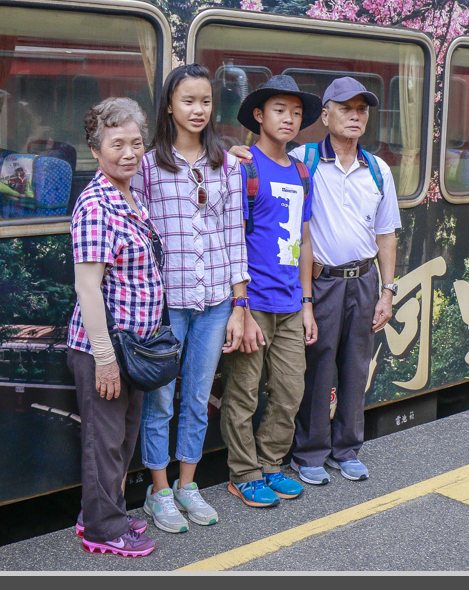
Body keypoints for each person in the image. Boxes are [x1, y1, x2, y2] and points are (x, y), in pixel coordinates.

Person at [229, 76, 401, 485]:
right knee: (317, 369)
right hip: (319, 282)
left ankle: (347, 449)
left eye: (362, 110)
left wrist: (388, 290)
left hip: (363, 279)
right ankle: (308, 454)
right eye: (345, 108)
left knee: (356, 368)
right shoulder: (302, 158)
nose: (355, 116)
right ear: (324, 116)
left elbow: (386, 233)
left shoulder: (378, 170)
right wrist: (231, 152)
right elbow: (258, 157)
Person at [131, 64, 250, 533]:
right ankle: (157, 491)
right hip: (166, 305)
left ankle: (187, 486)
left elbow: (234, 238)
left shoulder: (228, 164)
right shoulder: (147, 165)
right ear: (169, 106)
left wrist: (240, 305)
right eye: (188, 101)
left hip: (216, 300)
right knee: (160, 401)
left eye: (204, 102)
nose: (197, 110)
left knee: (198, 399)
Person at [66, 96, 161, 557]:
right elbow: (88, 288)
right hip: (103, 348)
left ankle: (103, 513)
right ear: (96, 150)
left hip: (134, 347)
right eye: (117, 143)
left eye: (136, 143)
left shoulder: (134, 195)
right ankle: (103, 531)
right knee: (104, 442)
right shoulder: (96, 204)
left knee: (121, 438)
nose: (129, 152)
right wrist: (104, 357)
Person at [220, 74, 319, 509]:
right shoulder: (244, 167)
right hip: (254, 302)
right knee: (243, 392)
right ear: (259, 116)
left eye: (296, 113)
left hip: (291, 303)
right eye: (280, 110)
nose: (290, 119)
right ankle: (243, 474)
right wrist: (238, 306)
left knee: (290, 389)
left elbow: (305, 237)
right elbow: (230, 235)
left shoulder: (301, 171)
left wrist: (308, 300)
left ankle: (272, 464)